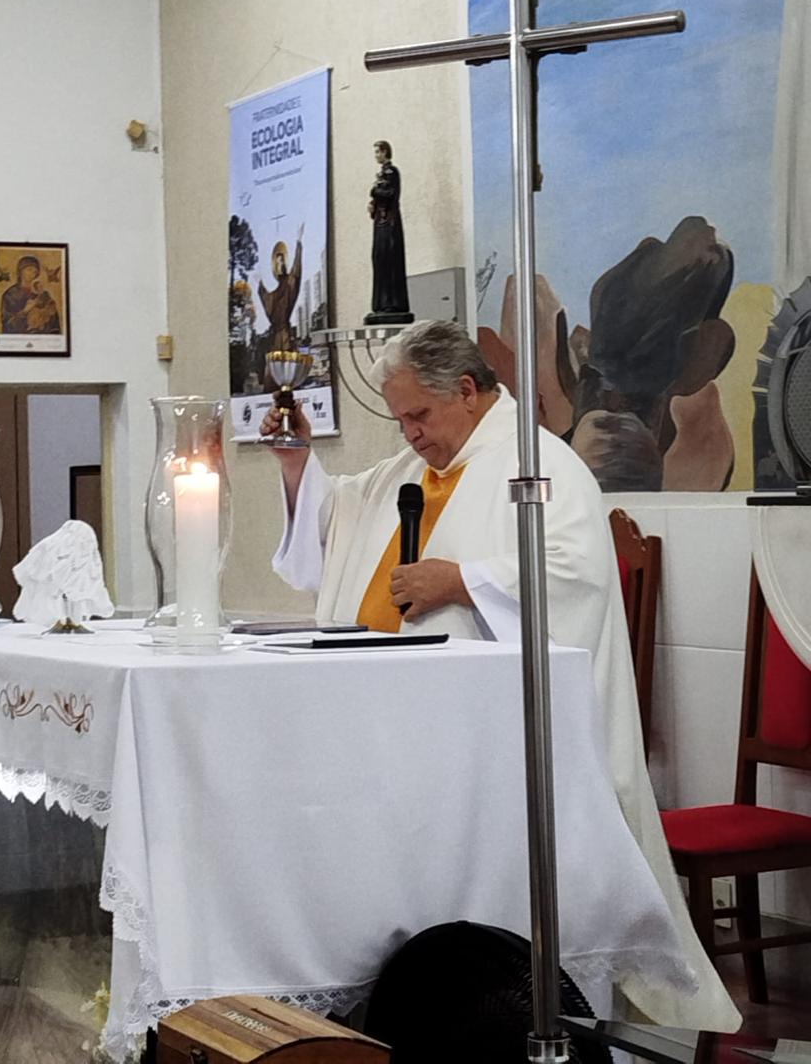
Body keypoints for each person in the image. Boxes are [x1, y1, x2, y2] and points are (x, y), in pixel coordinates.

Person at [261, 318, 739, 1033]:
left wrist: (463, 580)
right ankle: (405, 1004)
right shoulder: (411, 470)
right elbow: (338, 521)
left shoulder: (540, 465)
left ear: (466, 390)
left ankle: (506, 1007)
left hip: (492, 746)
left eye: (420, 416)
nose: (411, 435)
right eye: (401, 421)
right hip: (390, 724)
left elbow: (574, 577)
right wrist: (297, 465)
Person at [366, 140, 411, 322]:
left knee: (389, 260)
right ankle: (381, 303)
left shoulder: (392, 172)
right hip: (380, 223)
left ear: (385, 152)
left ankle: (392, 303)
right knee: (379, 259)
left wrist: (374, 191)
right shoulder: (382, 174)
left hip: (389, 224)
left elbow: (391, 194)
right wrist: (373, 205)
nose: (376, 155)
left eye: (378, 152)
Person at [256, 224, 304, 352]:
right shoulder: (276, 292)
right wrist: (260, 285)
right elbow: (269, 304)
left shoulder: (289, 282)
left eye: (282, 261)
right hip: (276, 338)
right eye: (277, 262)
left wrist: (298, 243)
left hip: (285, 335)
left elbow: (296, 269)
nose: (280, 264)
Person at [0, 255, 61, 335]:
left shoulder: (43, 294)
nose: (32, 274)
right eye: (29, 270)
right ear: (20, 272)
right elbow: (7, 326)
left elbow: (54, 324)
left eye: (35, 271)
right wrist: (25, 311)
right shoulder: (10, 295)